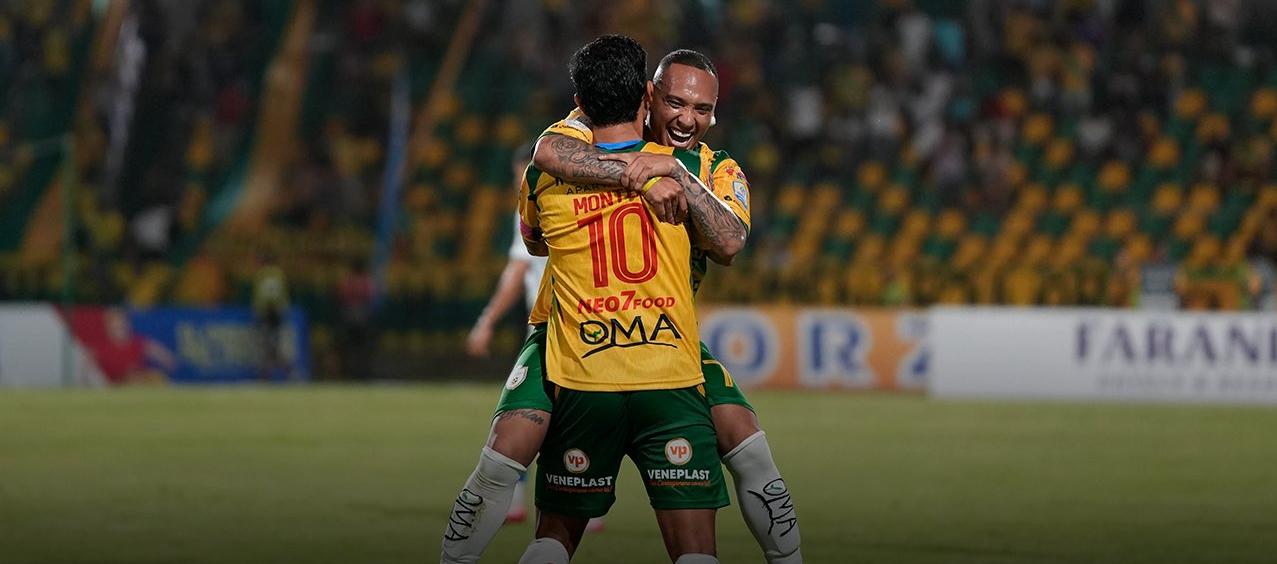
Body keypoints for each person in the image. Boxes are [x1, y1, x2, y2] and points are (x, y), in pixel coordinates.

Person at [531, 50, 803, 564]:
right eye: (676, 103)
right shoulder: (593, 134)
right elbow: (547, 151)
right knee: (529, 483)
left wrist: (675, 171)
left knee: (749, 443)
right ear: (649, 96)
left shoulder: (715, 168)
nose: (687, 119)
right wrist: (642, 174)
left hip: (667, 339)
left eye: (702, 109)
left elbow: (730, 242)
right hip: (592, 341)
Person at [464, 143, 605, 532]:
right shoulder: (581, 196)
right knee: (580, 414)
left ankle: (518, 501)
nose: (520, 182)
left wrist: (486, 320)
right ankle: (585, 504)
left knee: (526, 412)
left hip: (551, 326)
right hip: (590, 324)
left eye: (523, 174)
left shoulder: (537, 201)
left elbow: (516, 272)